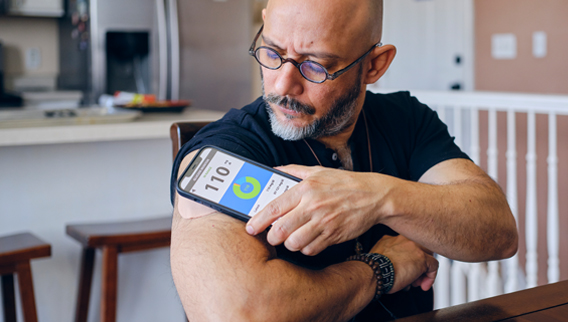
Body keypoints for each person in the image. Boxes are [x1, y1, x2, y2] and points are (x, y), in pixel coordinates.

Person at [169, 0, 518, 320]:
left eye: (314, 65)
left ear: (374, 66)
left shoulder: (406, 120)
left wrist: (377, 197)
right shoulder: (227, 148)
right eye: (272, 52)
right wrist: (380, 268)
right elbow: (240, 313)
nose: (283, 84)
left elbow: (499, 232)